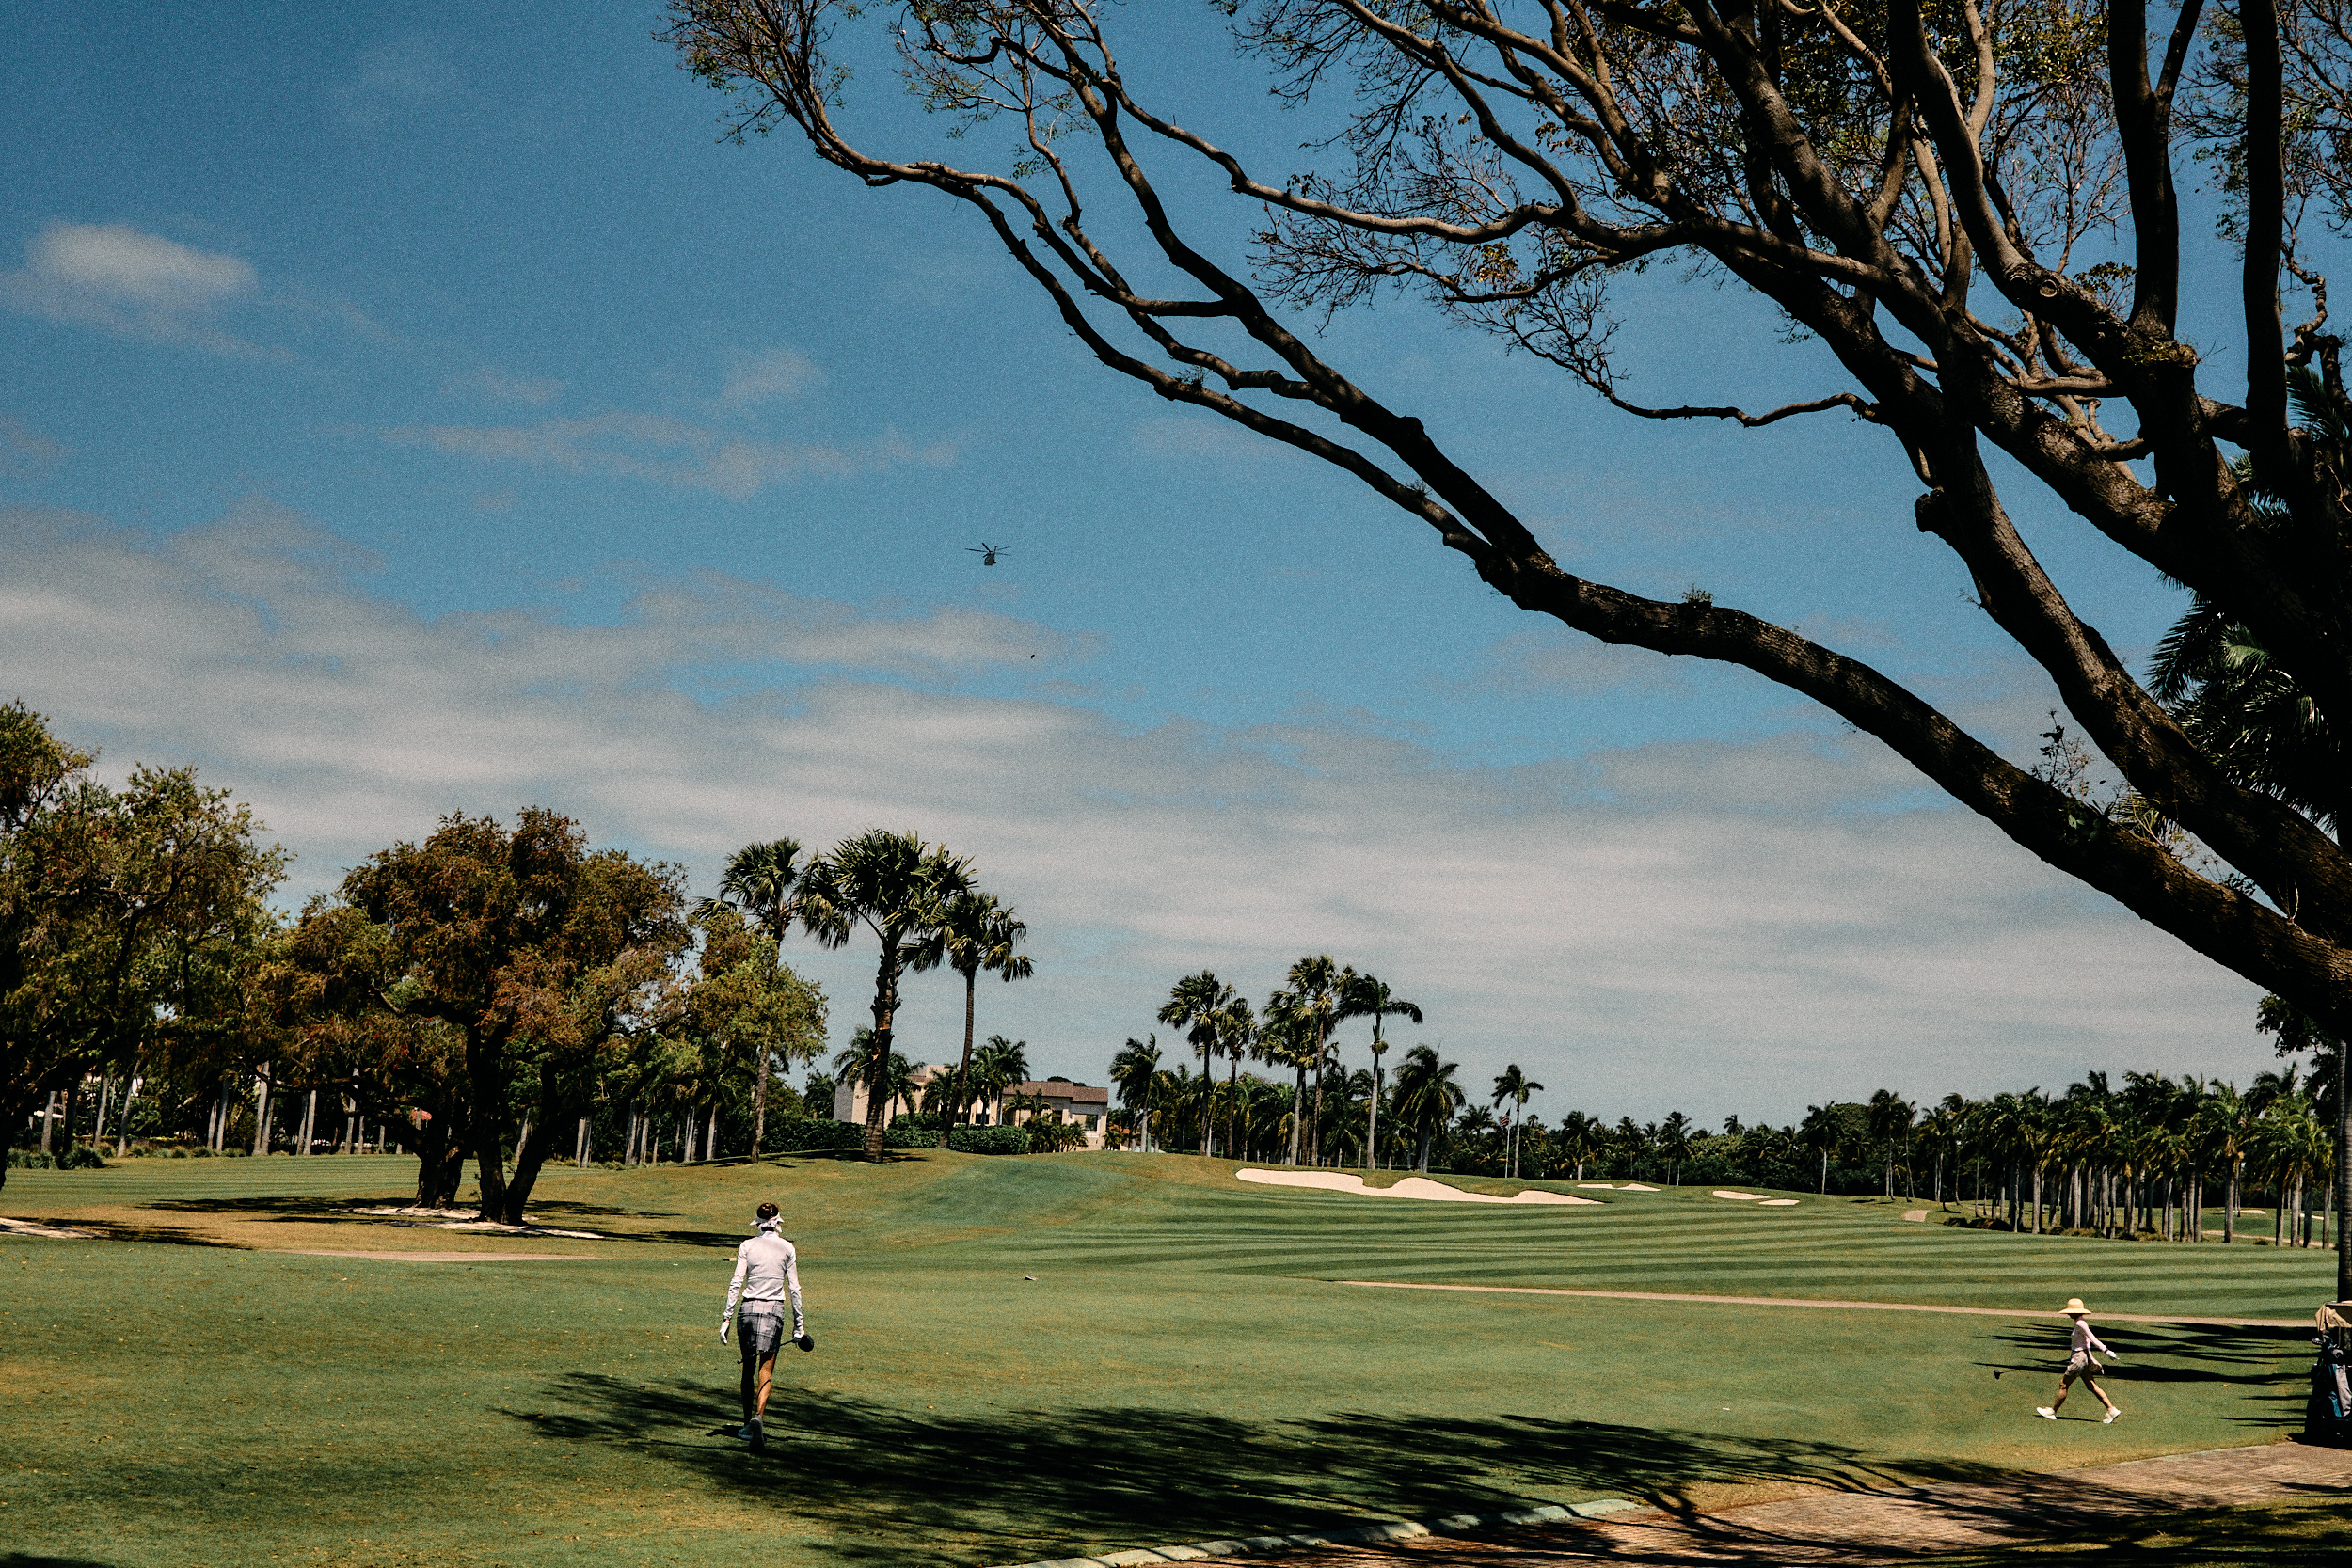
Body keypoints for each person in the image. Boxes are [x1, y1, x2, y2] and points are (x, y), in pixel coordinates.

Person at [720, 1200, 803, 1448]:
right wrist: (799, 1325)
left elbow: (737, 1282)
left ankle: (747, 1425)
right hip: (774, 1311)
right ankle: (759, 1417)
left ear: (757, 1222)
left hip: (748, 1309)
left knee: (748, 1368)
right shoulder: (787, 1248)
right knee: (765, 1370)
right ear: (778, 1221)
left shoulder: (747, 1245)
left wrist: (726, 1318)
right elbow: (794, 1288)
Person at [2037, 1297, 2121, 1423]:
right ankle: (2111, 1409)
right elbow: (2085, 1344)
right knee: (2091, 1385)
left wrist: (2106, 1351)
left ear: (2076, 1312)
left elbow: (2093, 1339)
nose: (2068, 1313)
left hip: (2079, 1358)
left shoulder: (2080, 1323)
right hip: (2081, 1357)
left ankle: (2052, 1411)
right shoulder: (2079, 1322)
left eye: (2070, 1311)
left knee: (2064, 1385)